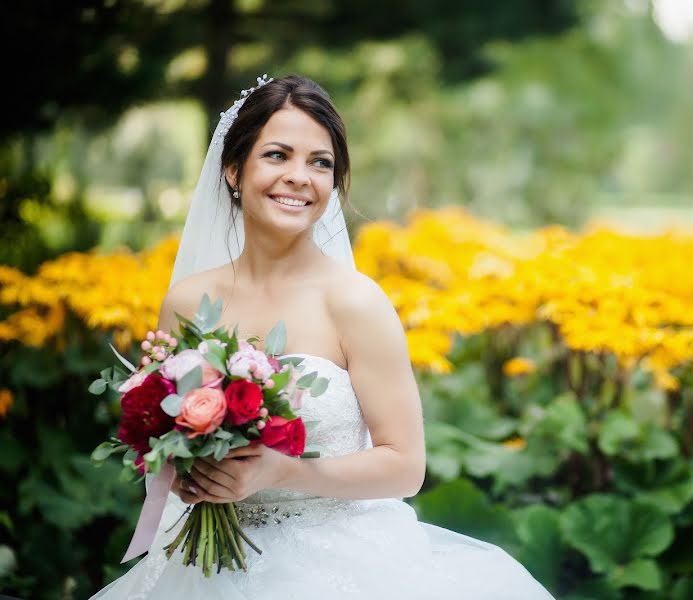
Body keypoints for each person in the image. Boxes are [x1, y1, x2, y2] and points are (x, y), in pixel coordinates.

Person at [91, 75, 555, 599]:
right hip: (207, 565)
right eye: (277, 155)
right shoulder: (186, 301)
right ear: (232, 169)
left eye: (320, 162)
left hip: (342, 560)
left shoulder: (355, 302)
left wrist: (281, 472)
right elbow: (169, 444)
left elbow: (405, 466)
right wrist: (191, 473)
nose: (299, 177)